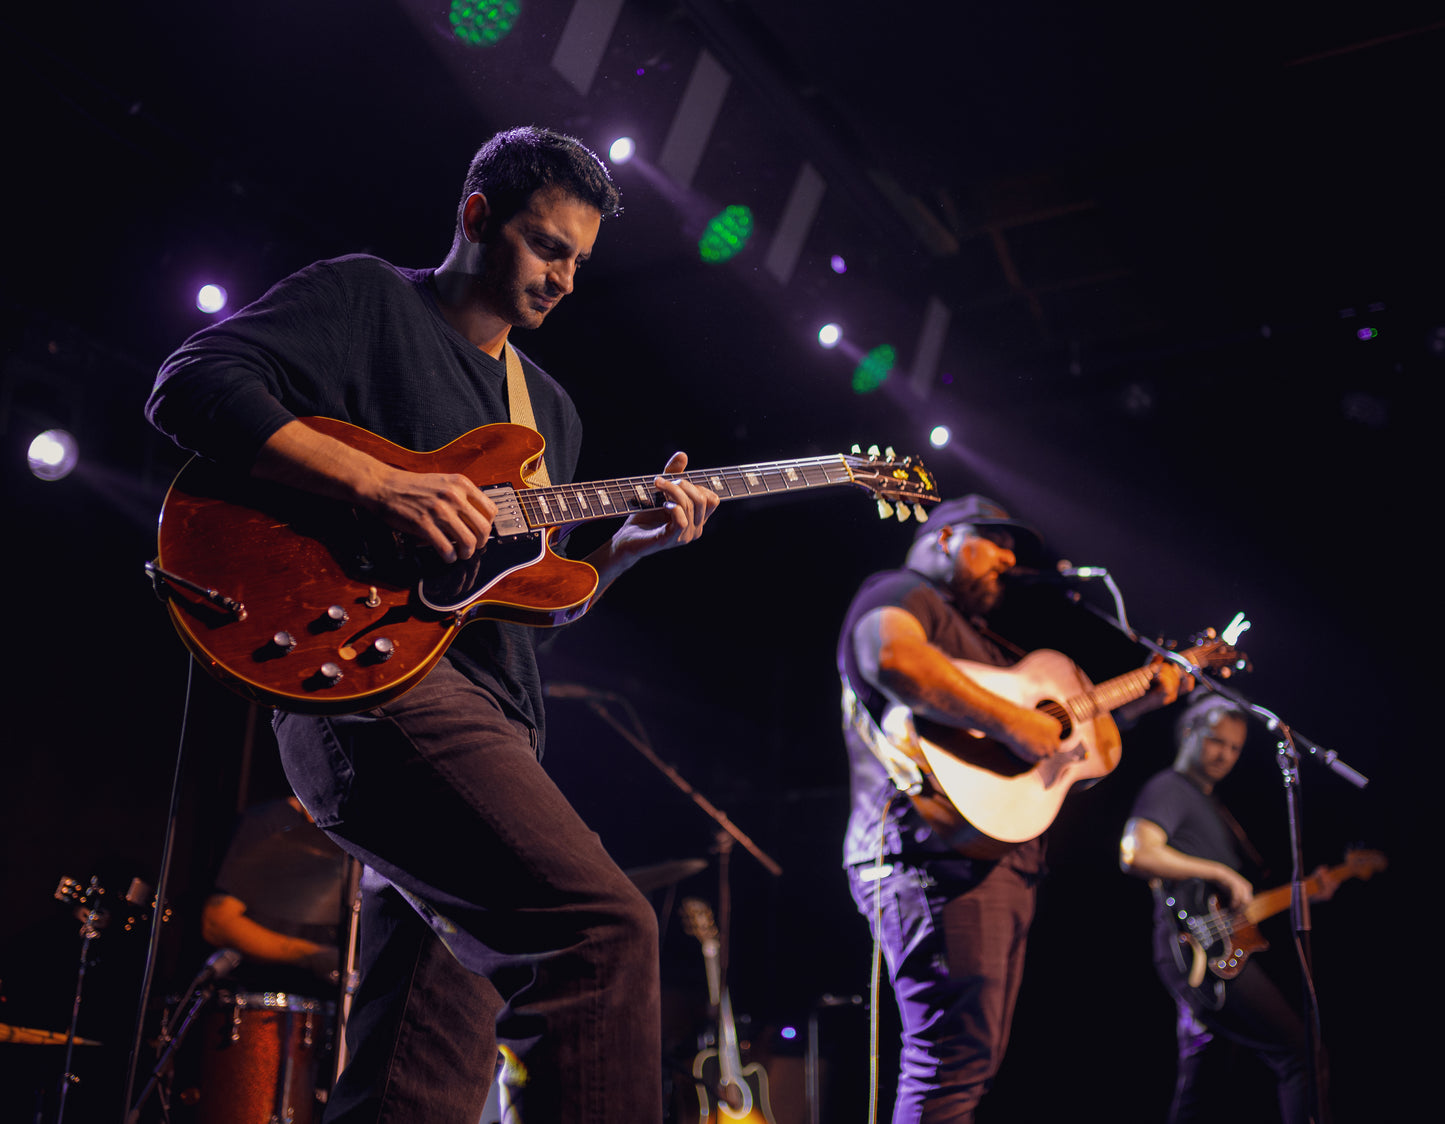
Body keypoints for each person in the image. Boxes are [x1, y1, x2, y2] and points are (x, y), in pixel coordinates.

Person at [147, 126, 720, 1123]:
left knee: (417, 1084)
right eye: (547, 246)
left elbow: (527, 607)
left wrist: (624, 548)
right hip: (371, 687)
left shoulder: (549, 411)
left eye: (579, 262)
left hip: (494, 727)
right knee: (601, 932)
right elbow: (189, 384)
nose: (564, 280)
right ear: (474, 217)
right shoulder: (370, 299)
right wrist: (379, 482)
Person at [837, 494, 1184, 1122]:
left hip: (992, 861)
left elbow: (1066, 735)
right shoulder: (903, 592)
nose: (1007, 558)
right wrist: (1016, 725)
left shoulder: (989, 646)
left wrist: (1138, 701)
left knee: (971, 1064)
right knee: (950, 1061)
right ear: (943, 539)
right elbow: (889, 657)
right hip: (931, 855)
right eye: (993, 541)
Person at [1119, 694, 1327, 1123]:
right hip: (1198, 951)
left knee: (1204, 1085)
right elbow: (1136, 852)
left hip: (1212, 947)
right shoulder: (1170, 788)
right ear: (1189, 733)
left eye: (1234, 748)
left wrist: (1313, 889)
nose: (1225, 755)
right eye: (1216, 741)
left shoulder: (1211, 806)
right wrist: (1220, 870)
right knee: (1301, 1053)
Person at [201, 795, 348, 996]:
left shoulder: (350, 840)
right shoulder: (268, 822)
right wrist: (313, 956)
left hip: (322, 999)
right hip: (258, 998)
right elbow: (216, 924)